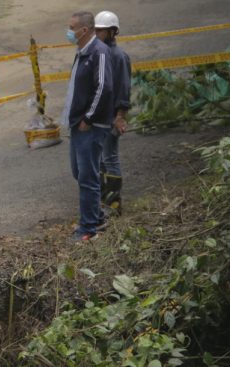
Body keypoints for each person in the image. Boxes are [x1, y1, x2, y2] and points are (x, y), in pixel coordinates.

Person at [60, 12, 115, 242]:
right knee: (79, 172)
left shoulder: (98, 52)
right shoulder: (82, 52)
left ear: (85, 30)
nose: (69, 32)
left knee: (87, 176)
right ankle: (96, 215)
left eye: (72, 27)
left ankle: (89, 227)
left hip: (90, 126)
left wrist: (89, 118)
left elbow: (104, 87)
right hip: (78, 124)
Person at [95, 10, 131, 216]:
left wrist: (120, 116)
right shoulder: (100, 54)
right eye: (96, 31)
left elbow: (124, 89)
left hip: (112, 116)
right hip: (99, 117)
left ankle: (114, 203)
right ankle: (102, 200)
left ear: (112, 32)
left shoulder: (119, 56)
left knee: (110, 158)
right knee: (99, 159)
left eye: (101, 31)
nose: (97, 35)